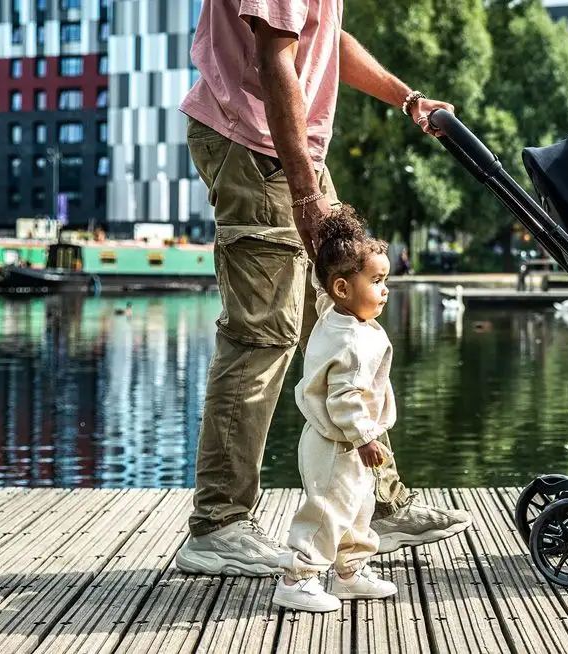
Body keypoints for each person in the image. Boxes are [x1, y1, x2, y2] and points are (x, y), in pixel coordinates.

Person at [174, 0, 471, 578]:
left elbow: (325, 38)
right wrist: (306, 195)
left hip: (293, 149)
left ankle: (375, 504)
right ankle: (218, 525)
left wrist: (406, 97)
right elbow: (272, 56)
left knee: (343, 323)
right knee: (261, 336)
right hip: (257, 148)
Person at [273, 204, 397, 613]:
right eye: (377, 281)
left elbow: (320, 283)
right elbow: (344, 398)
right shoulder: (350, 343)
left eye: (385, 281)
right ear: (342, 289)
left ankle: (350, 574)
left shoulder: (336, 314)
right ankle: (298, 579)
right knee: (327, 510)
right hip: (337, 444)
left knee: (357, 508)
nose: (385, 290)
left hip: (347, 441)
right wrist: (365, 437)